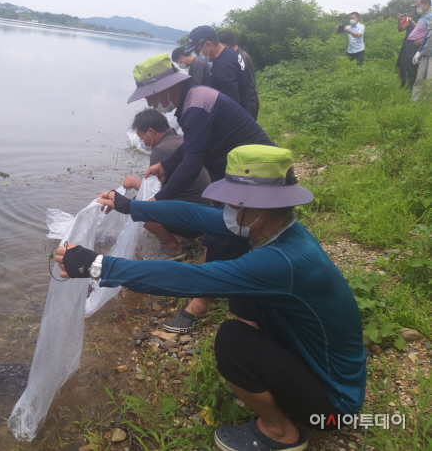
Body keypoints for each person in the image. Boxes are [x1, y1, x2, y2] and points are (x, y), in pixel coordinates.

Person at [55, 145, 367, 451]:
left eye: (234, 201)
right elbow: (195, 213)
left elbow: (189, 278)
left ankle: (280, 433)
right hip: (320, 367)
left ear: (259, 206)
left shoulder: (279, 263)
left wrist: (96, 264)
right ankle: (270, 382)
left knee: (232, 341)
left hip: (331, 409)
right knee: (244, 301)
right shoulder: (277, 230)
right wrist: (132, 207)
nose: (226, 209)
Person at [127, 53, 275, 332]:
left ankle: (202, 303)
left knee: (222, 232)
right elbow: (192, 146)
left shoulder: (196, 104)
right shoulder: (193, 99)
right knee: (228, 234)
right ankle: (220, 289)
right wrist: (164, 164)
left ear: (167, 86)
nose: (149, 102)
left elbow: (193, 163)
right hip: (237, 175)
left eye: (151, 94)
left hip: (258, 175)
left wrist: (157, 202)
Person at [124, 108, 212, 259]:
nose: (141, 142)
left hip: (193, 223)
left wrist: (135, 183)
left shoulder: (160, 150)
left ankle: (173, 247)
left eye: (141, 137)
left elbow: (153, 197)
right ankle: (178, 237)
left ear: (151, 132)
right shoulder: (181, 140)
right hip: (205, 215)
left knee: (138, 208)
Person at [184, 25, 251, 114]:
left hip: (236, 121)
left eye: (197, 51)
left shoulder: (224, 66)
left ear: (208, 44)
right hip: (245, 110)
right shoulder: (230, 53)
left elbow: (231, 104)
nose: (197, 55)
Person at [217, 30, 260, 120]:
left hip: (249, 101)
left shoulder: (239, 57)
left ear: (224, 45)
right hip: (250, 100)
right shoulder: (241, 54)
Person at [402, 0, 432, 89]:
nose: (416, 8)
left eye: (418, 6)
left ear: (426, 4)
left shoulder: (430, 16)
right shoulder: (424, 16)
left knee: (412, 68)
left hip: (416, 46)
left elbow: (430, 33)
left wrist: (422, 40)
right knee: (407, 66)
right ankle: (408, 88)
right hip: (411, 45)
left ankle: (412, 90)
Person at [412, 19, 432, 101]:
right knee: (420, 79)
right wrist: (419, 51)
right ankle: (415, 101)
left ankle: (427, 103)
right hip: (425, 53)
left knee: (429, 81)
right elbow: (426, 37)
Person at [396, 12, 416, 87]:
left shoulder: (421, 20)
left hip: (413, 46)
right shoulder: (410, 20)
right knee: (400, 64)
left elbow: (420, 30)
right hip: (405, 44)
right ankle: (400, 84)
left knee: (410, 67)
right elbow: (400, 29)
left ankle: (410, 86)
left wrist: (412, 21)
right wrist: (399, 20)